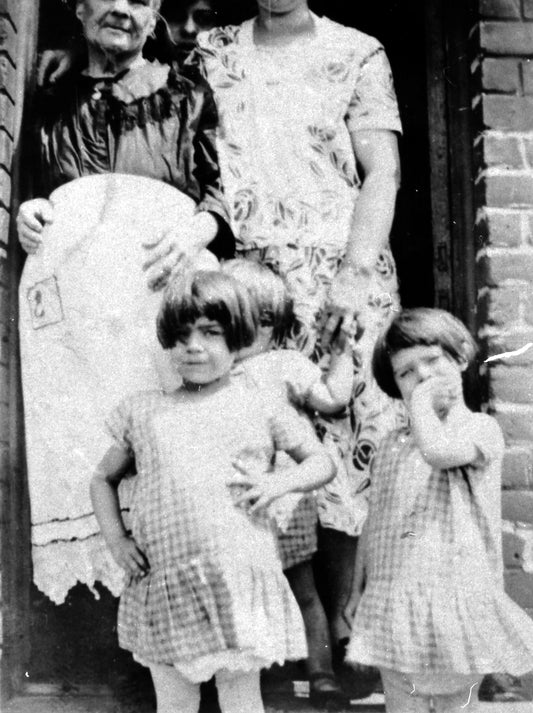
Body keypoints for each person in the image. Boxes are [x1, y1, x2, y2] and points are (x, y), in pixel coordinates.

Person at [192, 0, 404, 668]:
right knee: (264, 441)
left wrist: (352, 273)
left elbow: (380, 170)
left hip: (341, 274)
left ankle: (345, 631)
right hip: (250, 281)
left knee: (348, 442)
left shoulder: (354, 53)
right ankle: (289, 639)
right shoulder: (211, 51)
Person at [90, 269, 336, 713]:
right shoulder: (146, 411)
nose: (193, 346)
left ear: (236, 336)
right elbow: (102, 479)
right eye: (182, 335)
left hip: (236, 576)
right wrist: (117, 539)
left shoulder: (259, 401)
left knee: (241, 696)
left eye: (210, 332)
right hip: (167, 582)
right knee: (175, 702)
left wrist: (278, 482)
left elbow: (320, 462)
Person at [343, 308, 533, 712]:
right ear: (394, 386)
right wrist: (358, 588)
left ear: (461, 358)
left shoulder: (480, 428)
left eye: (432, 361)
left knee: (453, 701)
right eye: (406, 373)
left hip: (454, 599)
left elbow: (438, 451)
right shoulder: (392, 444)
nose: (423, 377)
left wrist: (423, 408)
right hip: (395, 599)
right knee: (401, 698)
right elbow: (375, 520)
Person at [17, 0, 234, 288]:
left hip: (161, 290)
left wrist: (198, 230)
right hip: (74, 288)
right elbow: (29, 187)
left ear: (152, 21)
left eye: (137, 0)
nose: (120, 9)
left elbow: (221, 192)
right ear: (80, 6)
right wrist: (29, 210)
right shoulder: (51, 96)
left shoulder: (186, 96)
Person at [223, 258, 353, 707]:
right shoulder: (212, 371)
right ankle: (247, 678)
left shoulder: (283, 364)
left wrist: (343, 355)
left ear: (263, 323)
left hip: (284, 501)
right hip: (238, 507)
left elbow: (333, 400)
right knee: (242, 591)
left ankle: (321, 673)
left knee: (302, 589)